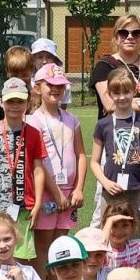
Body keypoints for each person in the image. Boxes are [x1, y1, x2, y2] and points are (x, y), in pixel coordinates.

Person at [0, 78, 59, 264]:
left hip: (24, 206)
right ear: (1, 102)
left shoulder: (33, 133)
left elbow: (38, 170)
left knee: (21, 255)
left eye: (20, 101)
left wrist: (37, 203)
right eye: (10, 101)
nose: (15, 106)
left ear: (28, 103)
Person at [27, 64, 87, 267]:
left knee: (62, 244)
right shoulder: (33, 121)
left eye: (60, 86)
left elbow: (80, 155)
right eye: (50, 84)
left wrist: (78, 188)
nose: (55, 89)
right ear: (37, 88)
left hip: (69, 194)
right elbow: (38, 162)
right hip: (46, 193)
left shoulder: (72, 120)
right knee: (43, 247)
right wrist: (55, 193)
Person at [89, 70, 140, 227]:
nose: (121, 97)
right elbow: (94, 162)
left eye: (126, 92)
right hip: (111, 191)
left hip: (138, 190)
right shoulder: (103, 124)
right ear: (109, 94)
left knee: (137, 238)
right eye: (116, 92)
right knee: (111, 236)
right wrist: (105, 182)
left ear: (134, 91)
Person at [91, 12, 140, 118]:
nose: (130, 37)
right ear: (116, 37)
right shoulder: (104, 66)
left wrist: (121, 103)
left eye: (136, 33)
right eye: (123, 33)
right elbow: (110, 105)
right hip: (116, 130)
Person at [103, 200, 140, 272]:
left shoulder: (138, 246)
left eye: (125, 225)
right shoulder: (103, 250)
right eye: (114, 225)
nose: (119, 231)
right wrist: (110, 220)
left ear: (132, 226)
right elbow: (100, 243)